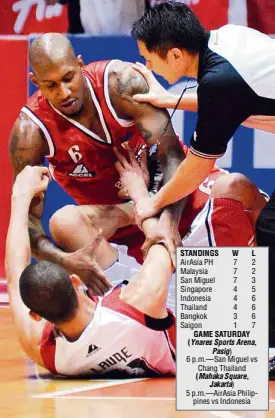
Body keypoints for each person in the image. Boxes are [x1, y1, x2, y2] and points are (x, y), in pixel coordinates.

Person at [9, 32, 187, 294]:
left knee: (233, 188)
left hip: (169, 200)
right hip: (115, 224)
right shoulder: (30, 133)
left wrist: (168, 219)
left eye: (69, 78)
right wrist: (65, 260)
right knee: (64, 223)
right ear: (35, 82)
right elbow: (26, 223)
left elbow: (173, 154)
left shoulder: (120, 84)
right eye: (50, 85)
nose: (65, 92)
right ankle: (129, 298)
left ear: (80, 64)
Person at [6, 165, 175, 377]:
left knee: (66, 223)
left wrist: (21, 199)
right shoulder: (139, 299)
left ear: (35, 316)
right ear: (75, 281)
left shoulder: (42, 350)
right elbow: (164, 241)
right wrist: (140, 194)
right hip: (178, 314)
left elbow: (14, 274)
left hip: (129, 316)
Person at [130, 2, 275, 224]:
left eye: (149, 59)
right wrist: (169, 100)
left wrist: (153, 203)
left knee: (269, 230)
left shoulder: (219, 82)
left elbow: (197, 168)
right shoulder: (227, 36)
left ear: (176, 55)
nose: (148, 67)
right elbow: (235, 99)